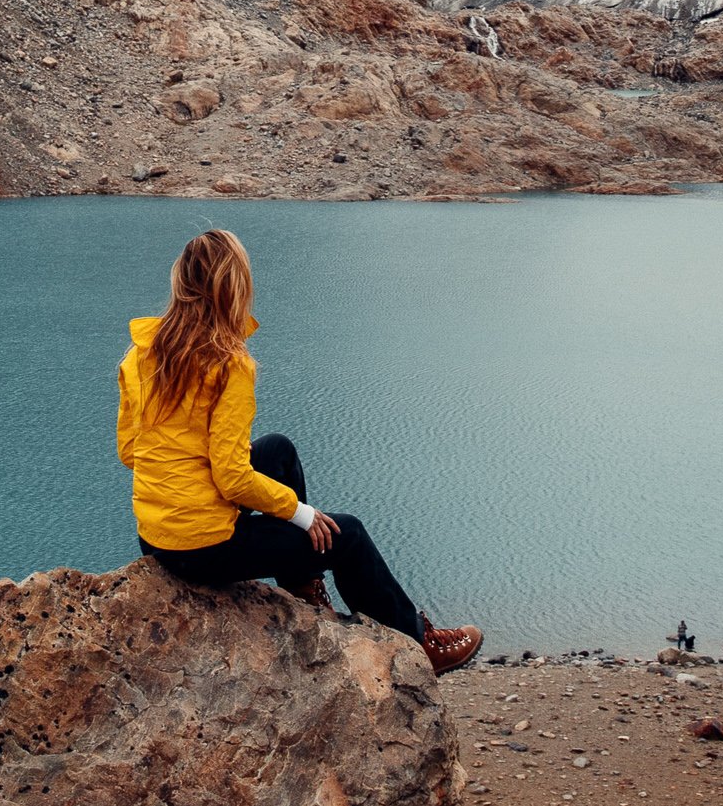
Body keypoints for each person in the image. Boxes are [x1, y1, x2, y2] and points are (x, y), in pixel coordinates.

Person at [117, 227, 483, 675]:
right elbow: (231, 478)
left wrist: (193, 454)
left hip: (155, 539)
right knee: (348, 536)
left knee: (276, 450)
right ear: (235, 289)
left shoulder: (141, 353)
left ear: (181, 283)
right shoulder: (229, 364)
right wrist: (299, 513)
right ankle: (418, 645)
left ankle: (300, 584)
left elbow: (132, 451)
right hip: (202, 549)